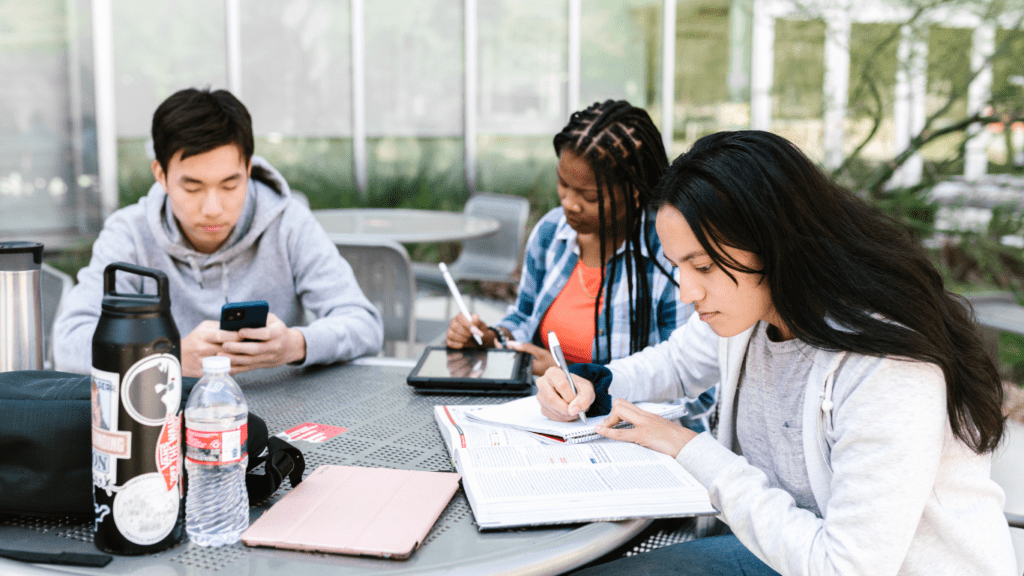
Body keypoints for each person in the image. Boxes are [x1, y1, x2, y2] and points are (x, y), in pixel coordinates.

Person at [539, 131, 1018, 575]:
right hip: (786, 552)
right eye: (678, 266)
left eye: (702, 266)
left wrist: (690, 449)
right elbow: (676, 363)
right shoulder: (755, 309)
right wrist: (591, 383)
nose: (687, 292)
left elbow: (845, 568)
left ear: (772, 243)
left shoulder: (885, 366)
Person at [55, 88, 383, 378]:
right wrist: (167, 358)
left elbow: (364, 324)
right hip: (167, 420)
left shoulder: (288, 223)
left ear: (249, 169)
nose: (213, 208)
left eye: (230, 184)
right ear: (161, 174)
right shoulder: (129, 234)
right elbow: (69, 342)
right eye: (193, 187)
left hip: (283, 414)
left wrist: (295, 345)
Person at [446, 99, 714, 430]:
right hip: (548, 424)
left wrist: (575, 376)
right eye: (563, 185)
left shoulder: (668, 255)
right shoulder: (551, 233)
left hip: (635, 441)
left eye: (588, 196)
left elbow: (695, 388)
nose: (569, 204)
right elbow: (525, 316)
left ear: (633, 191)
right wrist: (493, 339)